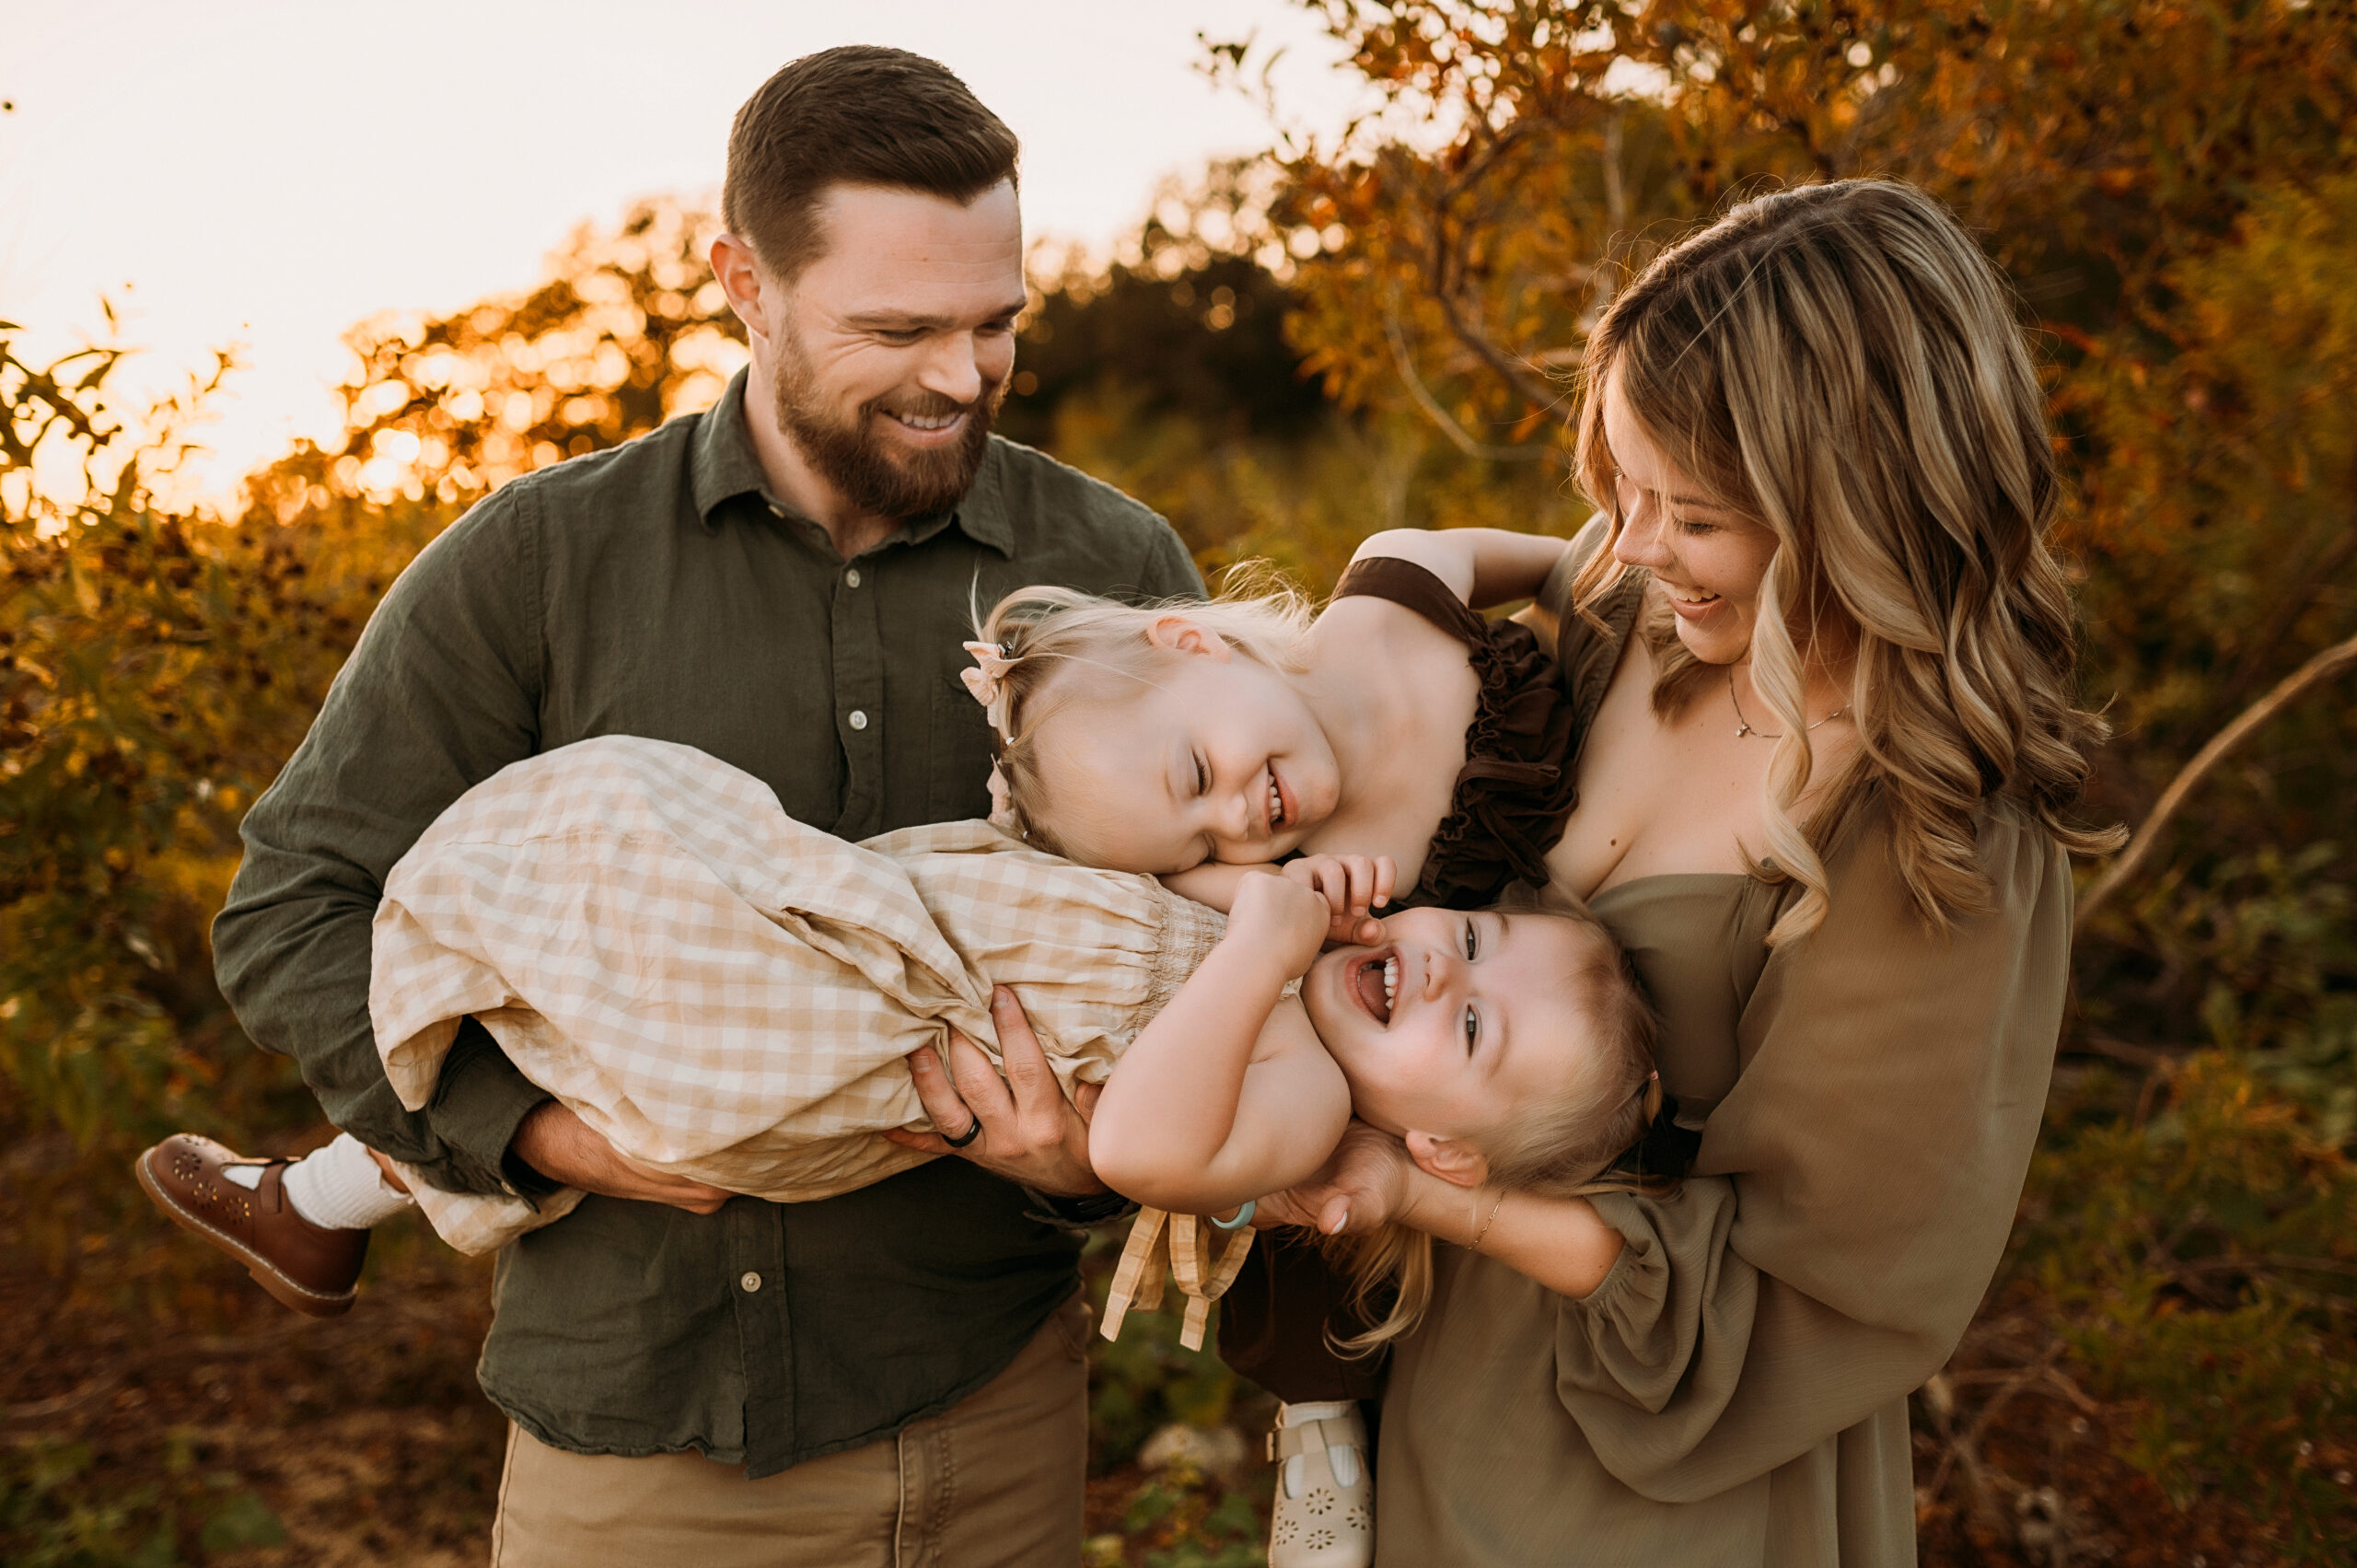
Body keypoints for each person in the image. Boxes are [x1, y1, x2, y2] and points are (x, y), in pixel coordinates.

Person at [178, 45, 1208, 1568]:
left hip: (990, 1424)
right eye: (898, 327)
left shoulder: (1111, 565)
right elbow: (292, 915)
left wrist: (1100, 1158)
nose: (960, 376)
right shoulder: (539, 561)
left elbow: (1219, 923)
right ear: (743, 280)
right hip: (640, 1460)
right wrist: (535, 1135)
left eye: (999, 326)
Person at [1225, 179, 2117, 1564]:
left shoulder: (1934, 833)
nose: (1632, 547)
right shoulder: (1631, 625)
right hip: (1444, 1393)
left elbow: (1834, 1284)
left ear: (1851, 504)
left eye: (1689, 514)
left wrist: (1436, 1196)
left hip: (1672, 1464)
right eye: (1622, 489)